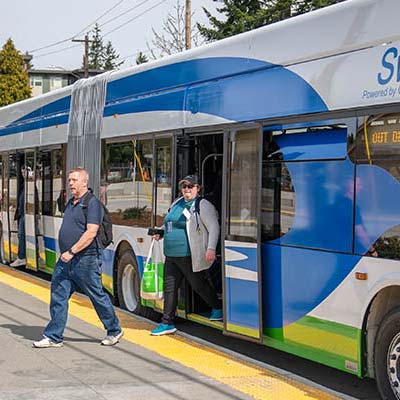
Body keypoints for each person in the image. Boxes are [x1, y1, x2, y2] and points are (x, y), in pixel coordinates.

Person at [33, 167, 123, 348]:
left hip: (85, 259)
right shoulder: (71, 203)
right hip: (66, 260)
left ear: (84, 182)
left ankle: (114, 330)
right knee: (58, 296)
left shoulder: (92, 203)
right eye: (69, 180)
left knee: (97, 295)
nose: (70, 183)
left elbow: (91, 233)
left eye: (74, 180)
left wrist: (72, 251)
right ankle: (53, 336)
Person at [151, 175, 223, 336]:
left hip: (189, 255)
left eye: (190, 186)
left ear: (198, 188)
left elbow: (214, 228)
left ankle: (217, 307)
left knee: (199, 285)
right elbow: (169, 222)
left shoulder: (202, 205)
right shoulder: (177, 203)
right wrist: (159, 232)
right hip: (171, 254)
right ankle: (167, 322)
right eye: (184, 187)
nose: (187, 190)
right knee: (169, 289)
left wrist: (210, 248)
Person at [10, 165, 26, 267]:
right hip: (22, 214)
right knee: (21, 236)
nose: (23, 172)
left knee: (21, 235)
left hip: (25, 214)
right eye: (22, 170)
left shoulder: (29, 185)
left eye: (25, 170)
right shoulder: (25, 184)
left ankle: (21, 257)